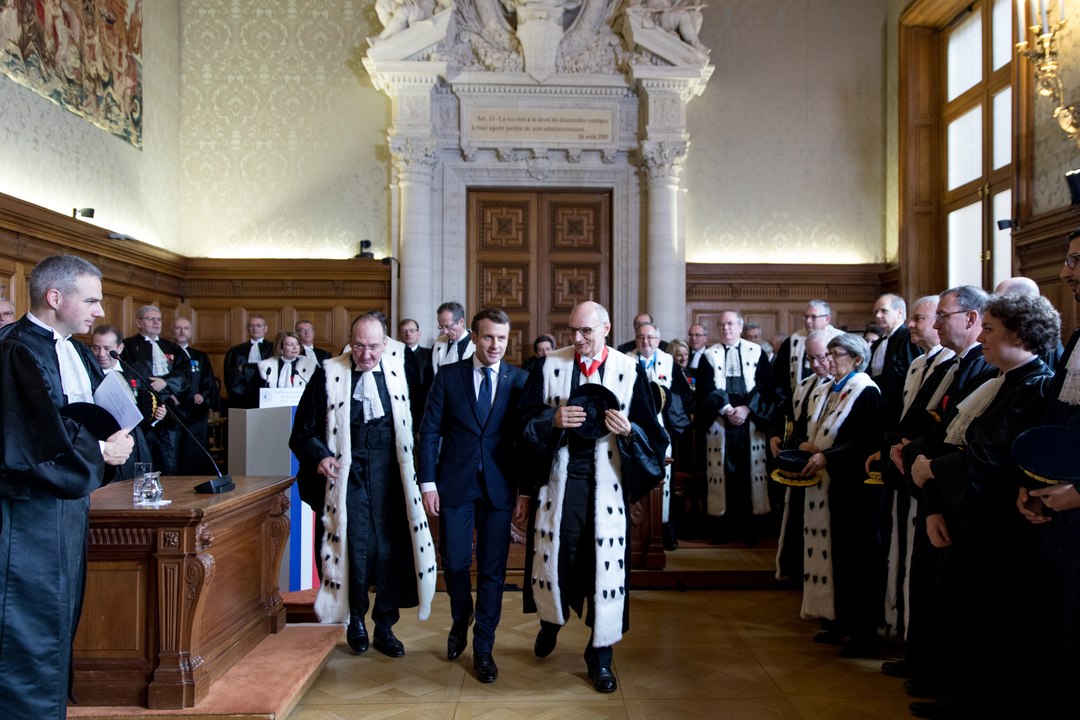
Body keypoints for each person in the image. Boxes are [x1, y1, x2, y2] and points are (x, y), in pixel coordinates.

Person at [909, 293, 1058, 720]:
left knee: (994, 621)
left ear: (1020, 333)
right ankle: (962, 694)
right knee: (968, 613)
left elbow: (992, 458)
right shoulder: (1000, 382)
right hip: (974, 524)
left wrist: (931, 469)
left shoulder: (1033, 386)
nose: (983, 338)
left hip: (1003, 529)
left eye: (990, 330)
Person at [0, 254, 133, 720]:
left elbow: (89, 416)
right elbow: (36, 440)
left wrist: (116, 441)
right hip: (28, 516)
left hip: (67, 508)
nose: (99, 311)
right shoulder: (18, 349)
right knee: (29, 629)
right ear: (55, 298)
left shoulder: (71, 349)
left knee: (59, 621)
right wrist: (99, 452)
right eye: (92, 300)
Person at [519, 300, 667, 693]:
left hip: (607, 488)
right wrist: (550, 420)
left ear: (605, 328)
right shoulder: (549, 366)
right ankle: (550, 621)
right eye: (573, 331)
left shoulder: (629, 369)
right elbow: (519, 424)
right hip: (560, 483)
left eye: (586, 331)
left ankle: (600, 656)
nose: (578, 338)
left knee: (602, 569)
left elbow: (655, 436)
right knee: (559, 561)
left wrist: (629, 431)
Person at [289, 312, 436, 658]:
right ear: (349, 342)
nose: (366, 355)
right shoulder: (329, 373)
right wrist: (321, 456)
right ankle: (356, 619)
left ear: (386, 344)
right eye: (358, 346)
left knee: (390, 549)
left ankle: (385, 625)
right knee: (355, 547)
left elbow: (426, 422)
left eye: (372, 347)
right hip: (347, 475)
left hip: (392, 473)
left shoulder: (403, 370)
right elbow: (302, 432)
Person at [418, 308, 528, 683]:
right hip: (454, 483)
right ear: (474, 337)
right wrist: (428, 483)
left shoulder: (520, 380)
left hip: (499, 486)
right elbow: (429, 431)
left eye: (501, 338)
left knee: (494, 571)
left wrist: (526, 491)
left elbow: (527, 440)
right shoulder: (449, 376)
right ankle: (460, 615)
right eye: (487, 337)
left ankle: (483, 647)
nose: (495, 345)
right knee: (454, 561)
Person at [1016, 229, 1080, 719]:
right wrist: (1031, 483)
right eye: (1066, 260)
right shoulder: (1077, 340)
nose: (1065, 273)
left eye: (1077, 261)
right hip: (1058, 514)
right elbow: (1055, 426)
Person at [795, 333, 883, 658]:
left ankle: (864, 634)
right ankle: (840, 620)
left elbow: (866, 441)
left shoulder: (865, 390)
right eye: (828, 353)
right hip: (832, 485)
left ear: (857, 359)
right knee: (838, 557)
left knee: (857, 560)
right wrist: (809, 445)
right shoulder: (833, 388)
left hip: (856, 489)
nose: (829, 360)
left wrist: (828, 457)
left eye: (836, 354)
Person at [694, 310, 775, 545]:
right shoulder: (709, 355)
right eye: (721, 325)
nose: (725, 328)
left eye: (730, 324)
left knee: (747, 477)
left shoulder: (756, 351)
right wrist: (728, 409)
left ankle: (750, 531)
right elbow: (705, 390)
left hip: (750, 423)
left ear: (740, 327)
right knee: (724, 476)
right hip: (721, 424)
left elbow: (765, 387)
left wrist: (747, 409)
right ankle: (721, 530)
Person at [770, 329, 832, 581]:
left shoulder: (850, 386)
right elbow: (789, 417)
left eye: (821, 357)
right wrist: (777, 435)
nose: (815, 364)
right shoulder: (805, 384)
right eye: (810, 359)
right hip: (799, 459)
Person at [628, 321, 691, 550]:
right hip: (634, 429)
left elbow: (683, 393)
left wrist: (665, 396)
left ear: (658, 339)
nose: (646, 342)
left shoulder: (667, 360)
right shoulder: (626, 359)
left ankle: (666, 530)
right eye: (641, 338)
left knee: (666, 479)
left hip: (663, 428)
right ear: (636, 340)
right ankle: (637, 530)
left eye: (650, 338)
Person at [120, 305, 190, 475]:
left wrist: (165, 382)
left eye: (158, 319)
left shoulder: (172, 347)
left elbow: (184, 372)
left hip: (170, 410)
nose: (156, 323)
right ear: (138, 322)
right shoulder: (128, 346)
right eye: (150, 319)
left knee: (169, 456)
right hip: (143, 409)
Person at [90, 324, 164, 480]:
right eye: (96, 348)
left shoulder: (136, 371)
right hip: (103, 445)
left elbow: (151, 404)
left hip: (137, 442)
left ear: (120, 348)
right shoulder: (87, 372)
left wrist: (157, 416)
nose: (101, 354)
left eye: (107, 348)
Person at [171, 317, 222, 476]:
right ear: (172, 331)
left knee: (196, 447)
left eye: (185, 328)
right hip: (176, 410)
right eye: (178, 328)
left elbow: (209, 381)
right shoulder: (167, 353)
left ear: (191, 332)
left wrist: (203, 395)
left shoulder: (199, 356)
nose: (181, 331)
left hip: (197, 412)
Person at [773, 300, 843, 406]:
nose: (808, 321)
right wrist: (783, 399)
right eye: (806, 317)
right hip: (799, 398)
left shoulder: (842, 340)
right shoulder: (792, 341)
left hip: (831, 399)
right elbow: (779, 374)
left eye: (813, 317)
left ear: (827, 319)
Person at [869, 294, 921, 426]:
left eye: (883, 311)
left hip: (898, 407)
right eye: (876, 312)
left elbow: (912, 373)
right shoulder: (879, 342)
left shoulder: (908, 338)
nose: (878, 315)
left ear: (899, 313)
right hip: (880, 405)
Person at [224, 315, 272, 408]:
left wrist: (244, 368)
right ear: (247, 328)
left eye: (258, 325)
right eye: (251, 325)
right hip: (242, 396)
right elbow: (230, 376)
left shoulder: (273, 348)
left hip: (266, 394)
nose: (255, 328)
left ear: (265, 328)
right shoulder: (235, 351)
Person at [399, 317, 432, 422]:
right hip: (401, 404)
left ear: (419, 333)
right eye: (404, 331)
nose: (408, 334)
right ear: (399, 334)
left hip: (424, 405)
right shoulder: (394, 356)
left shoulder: (429, 354)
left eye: (412, 330)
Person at [431, 301, 475, 375]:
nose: (445, 332)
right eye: (441, 327)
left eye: (448, 326)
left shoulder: (476, 344)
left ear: (461, 321)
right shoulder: (438, 344)